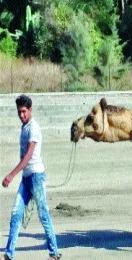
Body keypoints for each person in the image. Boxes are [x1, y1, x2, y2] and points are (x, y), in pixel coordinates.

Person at [1, 95, 61, 260]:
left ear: (30, 110)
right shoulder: (24, 127)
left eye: (24, 112)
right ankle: (9, 254)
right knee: (16, 214)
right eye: (19, 112)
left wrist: (11, 175)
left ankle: (54, 253)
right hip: (26, 179)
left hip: (36, 177)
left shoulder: (33, 128)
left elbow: (28, 156)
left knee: (43, 214)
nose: (21, 115)